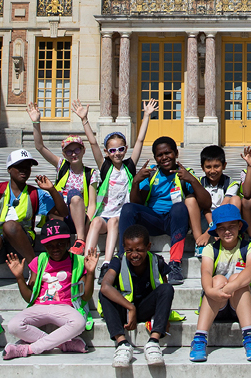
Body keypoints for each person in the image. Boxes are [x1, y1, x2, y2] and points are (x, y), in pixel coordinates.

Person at [0, 150, 68, 278]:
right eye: (19, 166)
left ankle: (34, 267)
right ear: (9, 169)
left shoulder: (35, 193)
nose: (23, 170)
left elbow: (63, 212)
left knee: (10, 226)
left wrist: (51, 190)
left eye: (27, 166)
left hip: (21, 245)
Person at [2, 219, 98, 359]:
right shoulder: (39, 260)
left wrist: (90, 272)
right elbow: (29, 297)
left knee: (79, 323)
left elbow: (86, 296)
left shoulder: (77, 261)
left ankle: (27, 349)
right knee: (13, 326)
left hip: (65, 306)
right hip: (39, 305)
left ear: (68, 243)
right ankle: (62, 345)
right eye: (50, 245)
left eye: (60, 244)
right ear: (45, 246)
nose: (55, 248)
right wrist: (19, 278)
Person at [119, 136, 206, 285]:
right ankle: (122, 260)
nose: (164, 157)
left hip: (175, 220)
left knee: (179, 207)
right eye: (160, 155)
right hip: (154, 220)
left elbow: (206, 202)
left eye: (168, 153)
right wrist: (135, 182)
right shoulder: (152, 174)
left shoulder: (185, 173)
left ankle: (175, 264)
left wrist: (192, 179)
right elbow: (137, 203)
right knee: (127, 208)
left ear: (176, 153)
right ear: (155, 158)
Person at [191, 204, 251, 363]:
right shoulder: (210, 249)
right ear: (216, 231)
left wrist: (228, 288)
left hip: (240, 302)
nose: (227, 231)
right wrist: (210, 290)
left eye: (231, 226)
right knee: (217, 279)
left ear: (240, 226)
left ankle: (249, 337)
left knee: (237, 278)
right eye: (222, 228)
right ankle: (199, 338)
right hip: (217, 302)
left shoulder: (249, 247)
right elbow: (205, 271)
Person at [92, 100, 157, 272]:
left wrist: (146, 116)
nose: (117, 153)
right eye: (112, 151)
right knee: (96, 222)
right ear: (107, 152)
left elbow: (140, 141)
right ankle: (86, 259)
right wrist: (85, 120)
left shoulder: (129, 166)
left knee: (113, 222)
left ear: (125, 149)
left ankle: (106, 262)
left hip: (121, 216)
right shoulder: (105, 166)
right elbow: (92, 145)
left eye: (120, 149)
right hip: (105, 213)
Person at [29, 99, 103, 249]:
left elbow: (92, 205)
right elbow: (39, 147)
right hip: (60, 216)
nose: (73, 154)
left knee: (75, 195)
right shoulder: (61, 166)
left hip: (80, 218)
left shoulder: (91, 173)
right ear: (64, 153)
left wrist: (87, 224)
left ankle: (80, 240)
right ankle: (61, 241)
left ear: (83, 151)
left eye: (77, 150)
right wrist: (36, 123)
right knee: (57, 203)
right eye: (69, 151)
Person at [101, 224, 176, 368]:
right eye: (129, 250)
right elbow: (105, 286)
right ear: (123, 248)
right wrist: (130, 308)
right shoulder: (118, 261)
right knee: (104, 294)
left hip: (146, 308)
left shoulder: (157, 261)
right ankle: (122, 344)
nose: (134, 254)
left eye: (139, 250)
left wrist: (163, 316)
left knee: (167, 288)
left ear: (148, 246)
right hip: (125, 310)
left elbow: (164, 290)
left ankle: (153, 342)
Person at [194, 144, 239, 254]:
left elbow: (222, 208)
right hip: (205, 218)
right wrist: (211, 227)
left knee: (236, 199)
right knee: (190, 200)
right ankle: (199, 243)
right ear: (202, 167)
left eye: (216, 166)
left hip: (224, 219)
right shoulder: (199, 183)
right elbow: (205, 208)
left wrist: (209, 232)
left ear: (224, 166)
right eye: (208, 167)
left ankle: (232, 240)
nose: (213, 171)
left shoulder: (231, 184)